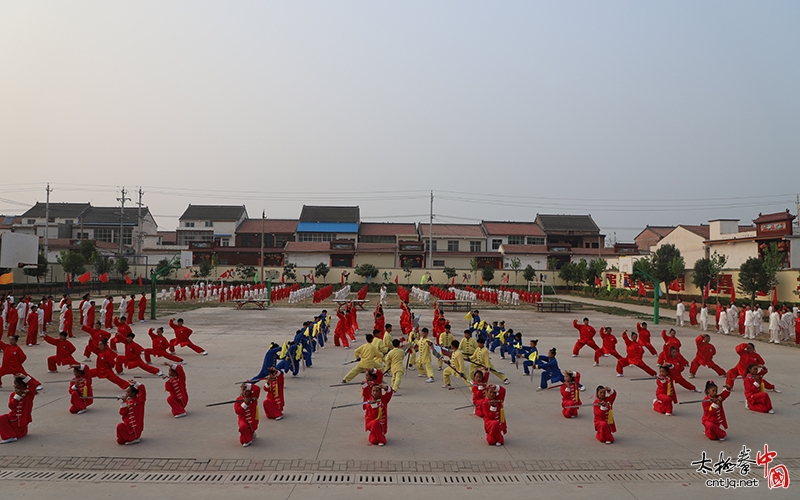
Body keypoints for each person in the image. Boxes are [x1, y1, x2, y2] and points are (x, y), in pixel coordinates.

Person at [0, 375, 37, 444]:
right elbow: (11, 406)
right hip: (12, 417)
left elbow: (33, 386)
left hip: (22, 419)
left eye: (16, 384)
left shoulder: (29, 394)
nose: (14, 385)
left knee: (14, 432)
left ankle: (10, 437)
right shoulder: (13, 394)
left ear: (22, 384)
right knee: (1, 418)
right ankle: (12, 435)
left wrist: (25, 378)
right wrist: (17, 397)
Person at [116, 381, 146, 445]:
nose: (126, 393)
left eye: (128, 392)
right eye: (126, 392)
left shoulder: (139, 401)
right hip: (128, 426)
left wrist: (136, 383)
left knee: (131, 437)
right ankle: (130, 438)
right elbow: (122, 413)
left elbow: (142, 391)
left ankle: (135, 438)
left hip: (136, 428)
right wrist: (124, 402)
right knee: (120, 440)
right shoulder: (127, 401)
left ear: (133, 393)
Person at [235, 382, 260, 447]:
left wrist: (248, 385)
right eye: (243, 390)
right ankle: (248, 440)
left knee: (251, 428)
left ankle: (251, 433)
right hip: (243, 419)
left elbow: (257, 389)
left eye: (247, 391)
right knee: (243, 429)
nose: (245, 392)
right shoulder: (238, 399)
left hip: (252, 419)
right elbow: (238, 411)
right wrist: (245, 404)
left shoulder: (253, 397)